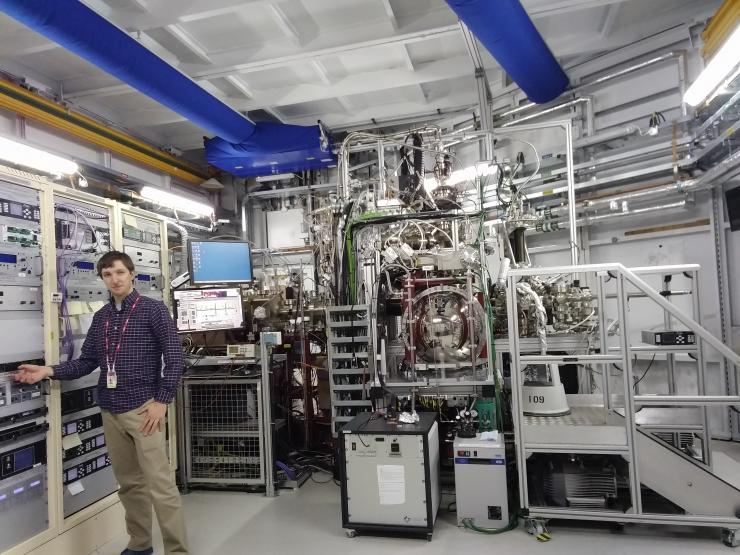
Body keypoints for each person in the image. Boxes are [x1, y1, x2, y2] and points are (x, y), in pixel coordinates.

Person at [15, 251, 188, 555]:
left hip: (144, 409)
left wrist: (162, 401)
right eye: (108, 275)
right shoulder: (102, 317)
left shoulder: (154, 310)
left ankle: (177, 551)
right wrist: (49, 370)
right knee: (130, 485)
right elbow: (87, 362)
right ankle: (140, 544)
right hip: (110, 408)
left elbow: (175, 360)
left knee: (161, 486)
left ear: (131, 274)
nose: (115, 279)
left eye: (120, 272)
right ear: (103, 278)